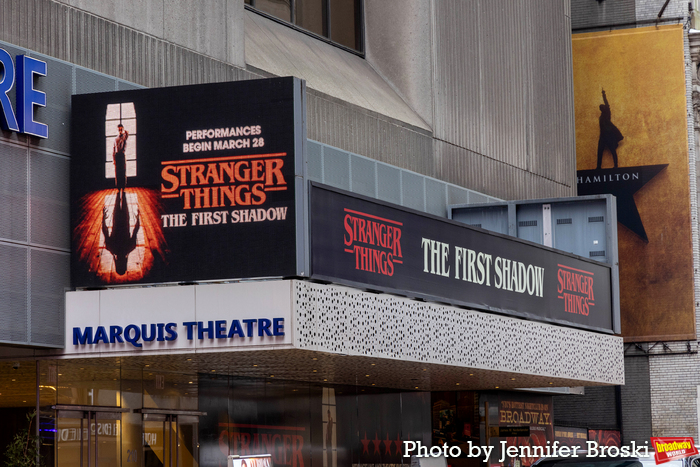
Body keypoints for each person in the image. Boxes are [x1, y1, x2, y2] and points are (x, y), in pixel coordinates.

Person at [596, 89, 623, 169]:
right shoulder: (601, 116)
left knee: (612, 150)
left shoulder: (607, 113)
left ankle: (616, 166)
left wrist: (603, 94)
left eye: (602, 107)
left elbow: (607, 103)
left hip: (608, 136)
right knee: (599, 151)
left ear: (605, 108)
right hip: (602, 136)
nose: (601, 108)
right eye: (600, 108)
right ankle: (598, 167)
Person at [113, 123, 129, 191]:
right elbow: (114, 148)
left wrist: (125, 134)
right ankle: (119, 186)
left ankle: (123, 185)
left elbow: (125, 138)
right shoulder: (116, 138)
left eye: (121, 129)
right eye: (119, 129)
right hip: (117, 155)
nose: (120, 130)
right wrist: (113, 158)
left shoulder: (124, 137)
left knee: (123, 170)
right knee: (117, 171)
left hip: (121, 155)